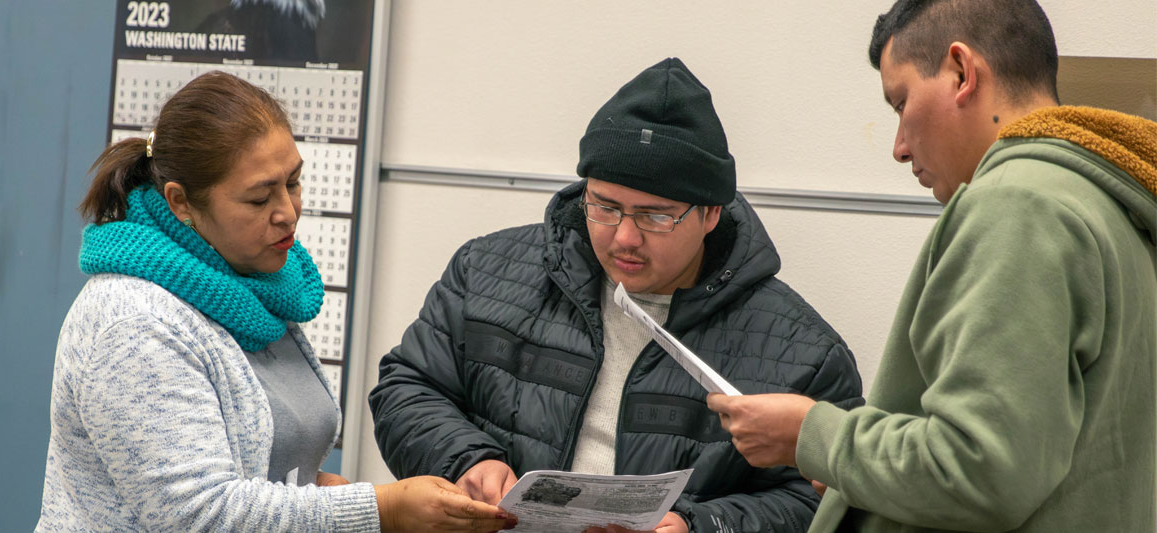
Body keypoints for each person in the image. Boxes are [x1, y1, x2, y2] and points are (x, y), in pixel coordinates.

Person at [706, 1, 1157, 531]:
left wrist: (813, 435)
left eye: (900, 103)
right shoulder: (1104, 203)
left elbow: (980, 471)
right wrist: (862, 469)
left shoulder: (1017, 206)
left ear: (962, 72)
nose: (898, 147)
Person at [369, 57, 864, 533]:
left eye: (655, 216)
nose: (625, 237)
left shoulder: (802, 354)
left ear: (711, 214)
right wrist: (468, 459)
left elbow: (819, 500)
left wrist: (701, 525)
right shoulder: (486, 272)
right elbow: (407, 386)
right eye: (604, 207)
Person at [37, 71, 516, 533]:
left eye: (293, 183)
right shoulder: (133, 321)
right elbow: (197, 515)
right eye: (258, 199)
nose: (287, 213)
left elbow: (262, 460)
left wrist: (318, 493)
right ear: (181, 202)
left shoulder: (249, 283)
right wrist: (378, 510)